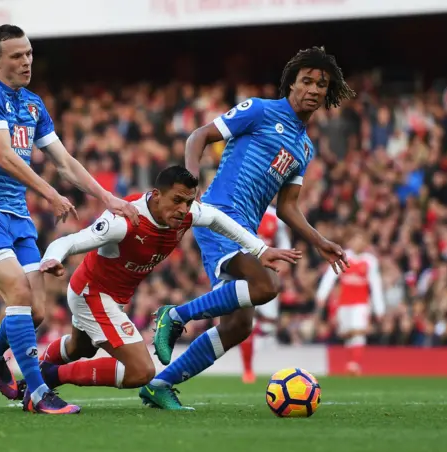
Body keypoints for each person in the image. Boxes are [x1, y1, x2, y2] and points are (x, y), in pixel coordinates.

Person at [143, 46, 356, 410]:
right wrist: (190, 184)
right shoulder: (259, 110)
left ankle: (160, 384)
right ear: (291, 84)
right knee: (265, 285)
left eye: (322, 84)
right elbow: (199, 135)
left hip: (246, 229)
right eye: (306, 81)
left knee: (239, 326)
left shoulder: (304, 149)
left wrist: (320, 241)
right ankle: (174, 316)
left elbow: (288, 207)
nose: (314, 89)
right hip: (219, 214)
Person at [0, 24, 138, 415]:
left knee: (34, 312)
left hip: (17, 217)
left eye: (29, 54)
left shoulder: (33, 104)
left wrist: (107, 197)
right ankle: (37, 394)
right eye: (17, 55)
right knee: (17, 292)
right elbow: (3, 155)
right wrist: (50, 193)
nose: (26, 61)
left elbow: (64, 162)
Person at [14, 166, 300, 396]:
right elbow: (72, 240)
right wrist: (51, 259)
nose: (183, 208)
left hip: (109, 296)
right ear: (155, 195)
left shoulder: (187, 214)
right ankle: (49, 376)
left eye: (188, 202)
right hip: (93, 294)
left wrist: (260, 250)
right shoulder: (124, 219)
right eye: (176, 200)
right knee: (141, 372)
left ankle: (36, 376)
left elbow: (219, 220)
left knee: (81, 348)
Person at [316, 228, 385, 375]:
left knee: (358, 332)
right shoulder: (343, 257)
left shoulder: (370, 261)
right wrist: (322, 295)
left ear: (365, 242)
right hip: (344, 303)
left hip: (361, 303)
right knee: (347, 334)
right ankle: (350, 364)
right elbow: (330, 276)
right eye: (355, 239)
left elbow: (376, 284)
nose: (357, 242)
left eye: (361, 239)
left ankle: (355, 364)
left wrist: (379, 309)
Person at [239, 204, 292, 384]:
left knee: (269, 323)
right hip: (243, 272)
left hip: (268, 273)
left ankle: (267, 366)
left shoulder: (274, 217)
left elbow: (284, 243)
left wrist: (283, 264)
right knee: (247, 322)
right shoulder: (242, 209)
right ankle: (247, 370)